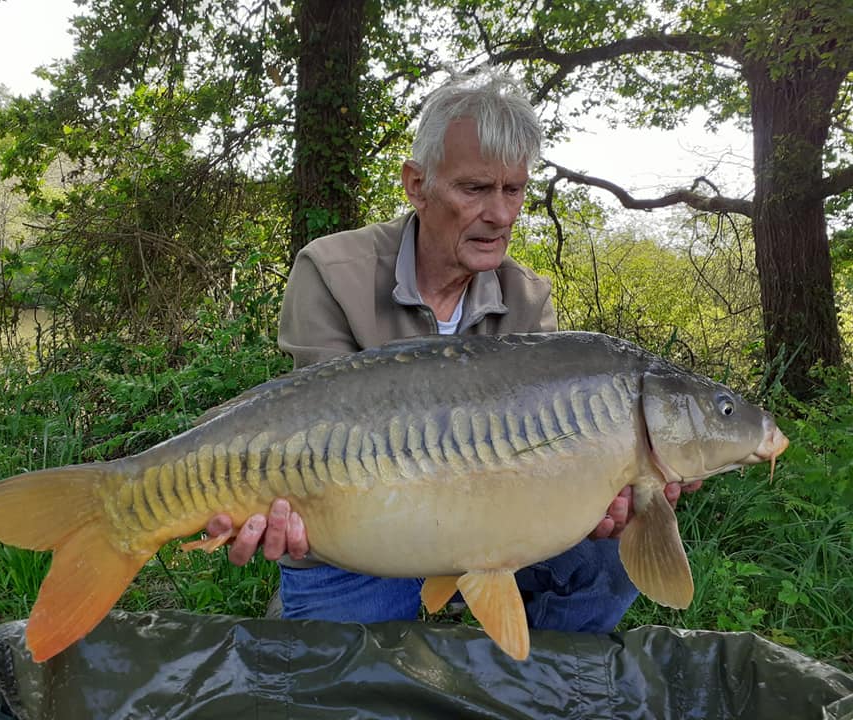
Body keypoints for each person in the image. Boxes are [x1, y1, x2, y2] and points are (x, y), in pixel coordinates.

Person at [205, 71, 700, 631]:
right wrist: (276, 505)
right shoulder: (331, 271)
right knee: (345, 681)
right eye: (475, 189)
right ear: (416, 185)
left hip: (493, 524)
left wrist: (597, 494)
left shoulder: (527, 299)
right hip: (363, 535)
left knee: (605, 560)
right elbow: (315, 445)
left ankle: (524, 684)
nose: (502, 215)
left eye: (512, 190)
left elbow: (549, 459)